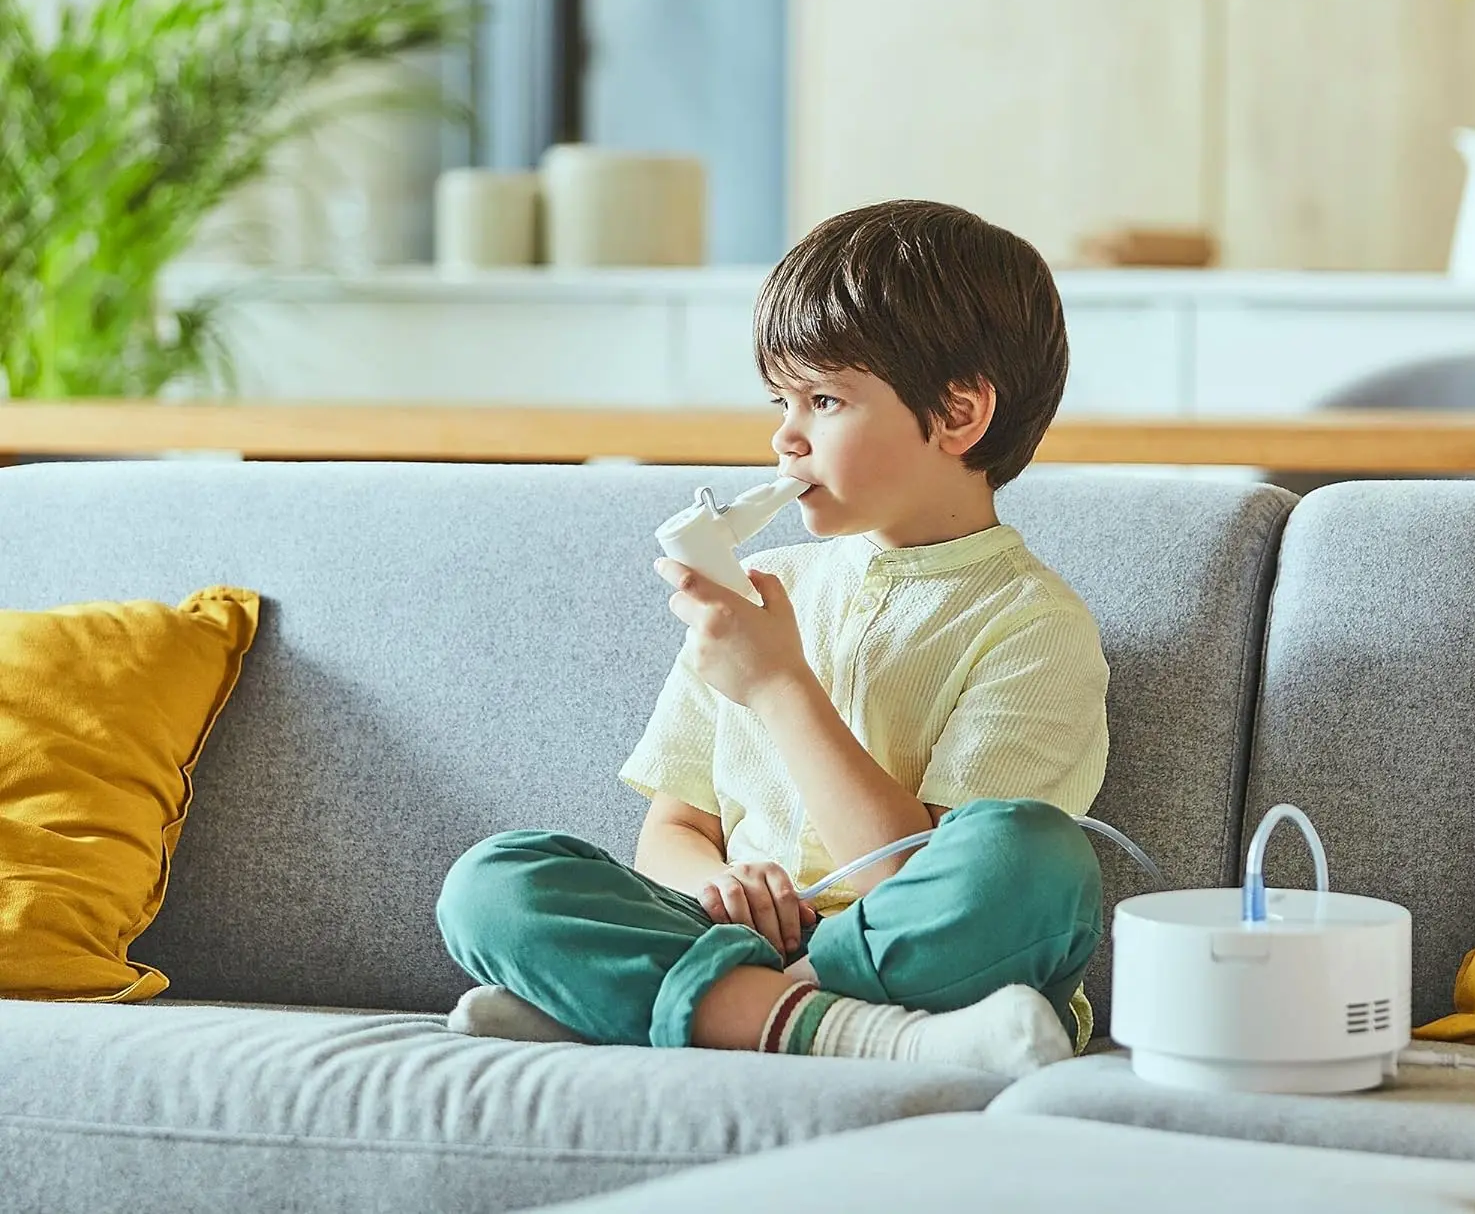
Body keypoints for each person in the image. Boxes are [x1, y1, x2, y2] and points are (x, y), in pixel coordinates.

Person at [437, 199, 1109, 1076]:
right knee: (497, 883)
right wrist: (707, 886)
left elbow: (910, 885)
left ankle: (688, 1008)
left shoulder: (1033, 628)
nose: (783, 436)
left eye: (824, 399)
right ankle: (849, 1034)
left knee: (1032, 857)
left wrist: (777, 684)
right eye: (779, 399)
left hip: (913, 954)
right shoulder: (767, 588)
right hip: (737, 938)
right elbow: (675, 825)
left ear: (958, 414)